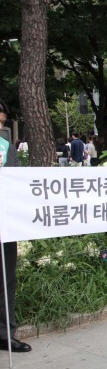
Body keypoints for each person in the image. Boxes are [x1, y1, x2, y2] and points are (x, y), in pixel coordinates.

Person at [0, 98, 32, 353]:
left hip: (4, 222)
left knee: (5, 279)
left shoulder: (6, 147)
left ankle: (4, 333)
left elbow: (16, 180)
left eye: (1, 123)